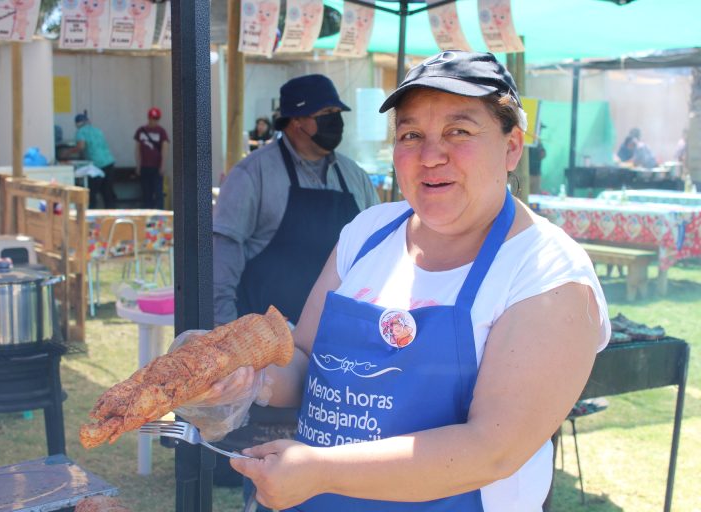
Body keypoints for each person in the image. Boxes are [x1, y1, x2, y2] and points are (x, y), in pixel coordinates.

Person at [203, 50, 610, 511]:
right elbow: (304, 359)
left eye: (459, 131)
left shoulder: (546, 271)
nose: (431, 156)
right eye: (411, 135)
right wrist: (247, 379)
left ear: (512, 145)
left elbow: (492, 449)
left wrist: (320, 471)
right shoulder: (368, 233)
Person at [210, 73, 379, 511]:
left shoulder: (354, 177)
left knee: (333, 476)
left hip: (337, 358)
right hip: (270, 359)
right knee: (268, 481)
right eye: (326, 114)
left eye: (337, 113)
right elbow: (222, 259)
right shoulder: (252, 176)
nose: (335, 121)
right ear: (297, 120)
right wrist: (228, 345)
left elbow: (378, 257)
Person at [73, 112, 116, 209]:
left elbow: (81, 146)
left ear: (77, 123)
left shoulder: (81, 132)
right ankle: (111, 213)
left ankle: (92, 212)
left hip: (96, 165)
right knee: (107, 192)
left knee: (92, 192)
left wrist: (68, 152)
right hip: (109, 162)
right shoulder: (97, 130)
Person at [134, 107, 170, 209]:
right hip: (144, 166)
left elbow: (165, 149)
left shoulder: (161, 131)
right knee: (146, 193)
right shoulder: (141, 131)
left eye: (156, 118)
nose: (154, 120)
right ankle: (147, 213)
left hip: (156, 167)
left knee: (158, 192)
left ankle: (160, 214)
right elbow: (137, 149)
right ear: (148, 118)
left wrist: (163, 166)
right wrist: (138, 165)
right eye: (152, 118)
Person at [528, 124, 547, 194]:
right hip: (527, 175)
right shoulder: (528, 140)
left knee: (534, 197)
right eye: (539, 128)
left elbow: (542, 154)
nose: (540, 131)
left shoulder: (538, 142)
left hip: (536, 174)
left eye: (540, 129)